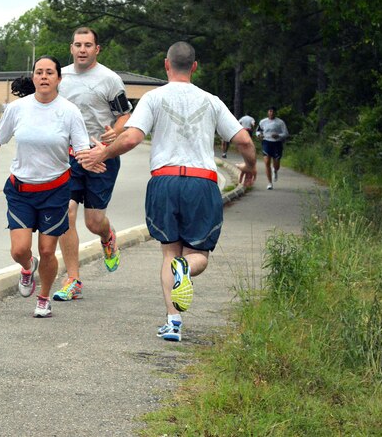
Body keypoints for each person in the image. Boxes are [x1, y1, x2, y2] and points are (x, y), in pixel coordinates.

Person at [76, 41, 257, 342]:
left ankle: (173, 322)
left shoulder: (153, 98)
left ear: (166, 65)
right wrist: (249, 167)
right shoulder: (211, 100)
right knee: (197, 254)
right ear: (195, 67)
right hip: (201, 181)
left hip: (164, 180)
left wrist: (102, 154)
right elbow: (245, 141)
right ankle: (186, 268)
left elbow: (132, 138)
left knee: (168, 253)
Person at [0, 56, 101, 318]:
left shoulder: (69, 111)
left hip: (55, 191)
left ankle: (43, 298)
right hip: (21, 190)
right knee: (20, 250)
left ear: (58, 79)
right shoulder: (18, 109)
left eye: (49, 72)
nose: (44, 77)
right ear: (33, 78)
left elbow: (80, 150)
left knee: (47, 249)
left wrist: (94, 157)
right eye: (39, 72)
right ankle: (27, 266)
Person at [52, 26, 133, 303]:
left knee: (93, 221)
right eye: (78, 45)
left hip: (101, 155)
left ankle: (107, 235)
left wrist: (116, 132)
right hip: (70, 156)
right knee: (67, 213)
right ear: (71, 48)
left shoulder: (110, 79)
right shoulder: (60, 78)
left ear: (97, 49)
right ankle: (72, 279)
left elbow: (125, 116)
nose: (82, 49)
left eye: (88, 45)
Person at [255, 106, 289, 190]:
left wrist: (278, 135)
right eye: (270, 111)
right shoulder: (263, 122)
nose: (271, 113)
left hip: (277, 143)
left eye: (273, 112)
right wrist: (259, 135)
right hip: (266, 142)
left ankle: (275, 170)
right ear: (268, 112)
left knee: (276, 164)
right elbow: (258, 131)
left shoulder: (280, 122)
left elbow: (286, 133)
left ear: (275, 113)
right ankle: (270, 183)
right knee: (267, 162)